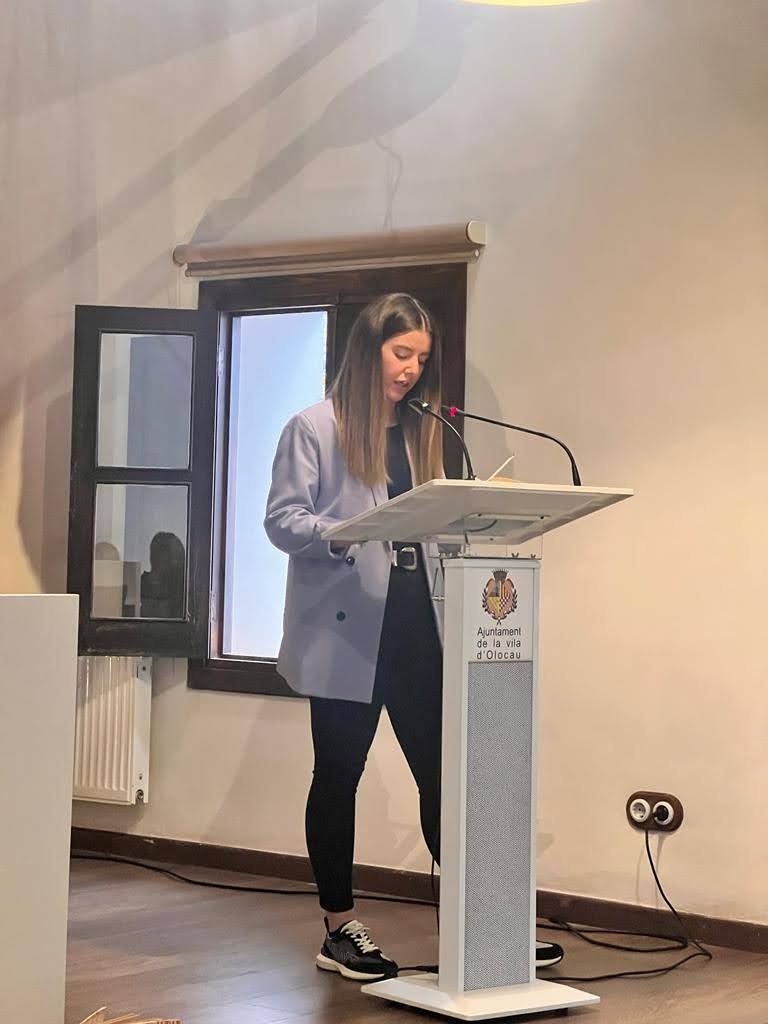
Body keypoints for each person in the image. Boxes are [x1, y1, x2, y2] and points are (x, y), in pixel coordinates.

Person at [264, 293, 564, 982]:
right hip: (346, 632)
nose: (410, 370)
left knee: (444, 776)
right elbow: (282, 520)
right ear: (368, 349)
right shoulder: (313, 427)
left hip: (417, 628)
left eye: (421, 359)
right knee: (338, 776)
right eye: (402, 354)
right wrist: (345, 533)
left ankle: (487, 921)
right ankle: (339, 927)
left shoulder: (422, 429)